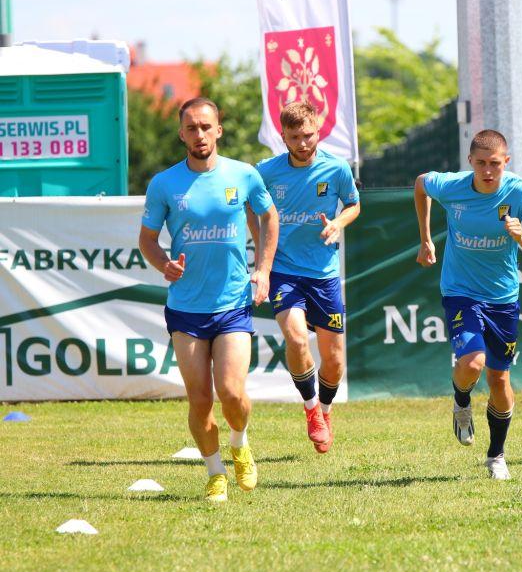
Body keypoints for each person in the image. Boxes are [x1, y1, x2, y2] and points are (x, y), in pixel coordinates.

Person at [139, 97, 278, 503]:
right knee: (200, 401)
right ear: (181, 134)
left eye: (206, 126)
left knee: (231, 393)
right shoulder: (164, 184)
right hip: (186, 308)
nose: (199, 134)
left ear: (219, 130)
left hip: (233, 303)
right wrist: (164, 264)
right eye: (191, 128)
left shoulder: (244, 174)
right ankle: (215, 473)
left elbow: (269, 217)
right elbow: (147, 240)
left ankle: (240, 442)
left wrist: (263, 269)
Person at [413, 130, 522, 480]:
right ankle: (461, 401)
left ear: (506, 162)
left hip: (502, 298)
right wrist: (426, 239)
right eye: (480, 164)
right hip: (460, 291)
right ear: (470, 162)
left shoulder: (520, 192)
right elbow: (420, 184)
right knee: (473, 361)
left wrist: (521, 237)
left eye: (495, 164)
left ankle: (496, 456)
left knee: (499, 379)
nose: (488, 171)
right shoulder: (452, 186)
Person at [252, 101, 360, 454]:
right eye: (294, 137)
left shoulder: (336, 168)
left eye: (308, 135)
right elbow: (251, 207)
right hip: (284, 270)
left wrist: (337, 223)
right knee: (297, 340)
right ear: (282, 136)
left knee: (335, 360)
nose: (302, 143)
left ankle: (325, 411)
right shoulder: (266, 172)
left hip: (324, 274)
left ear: (318, 131)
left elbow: (354, 204)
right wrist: (262, 256)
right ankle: (312, 409)